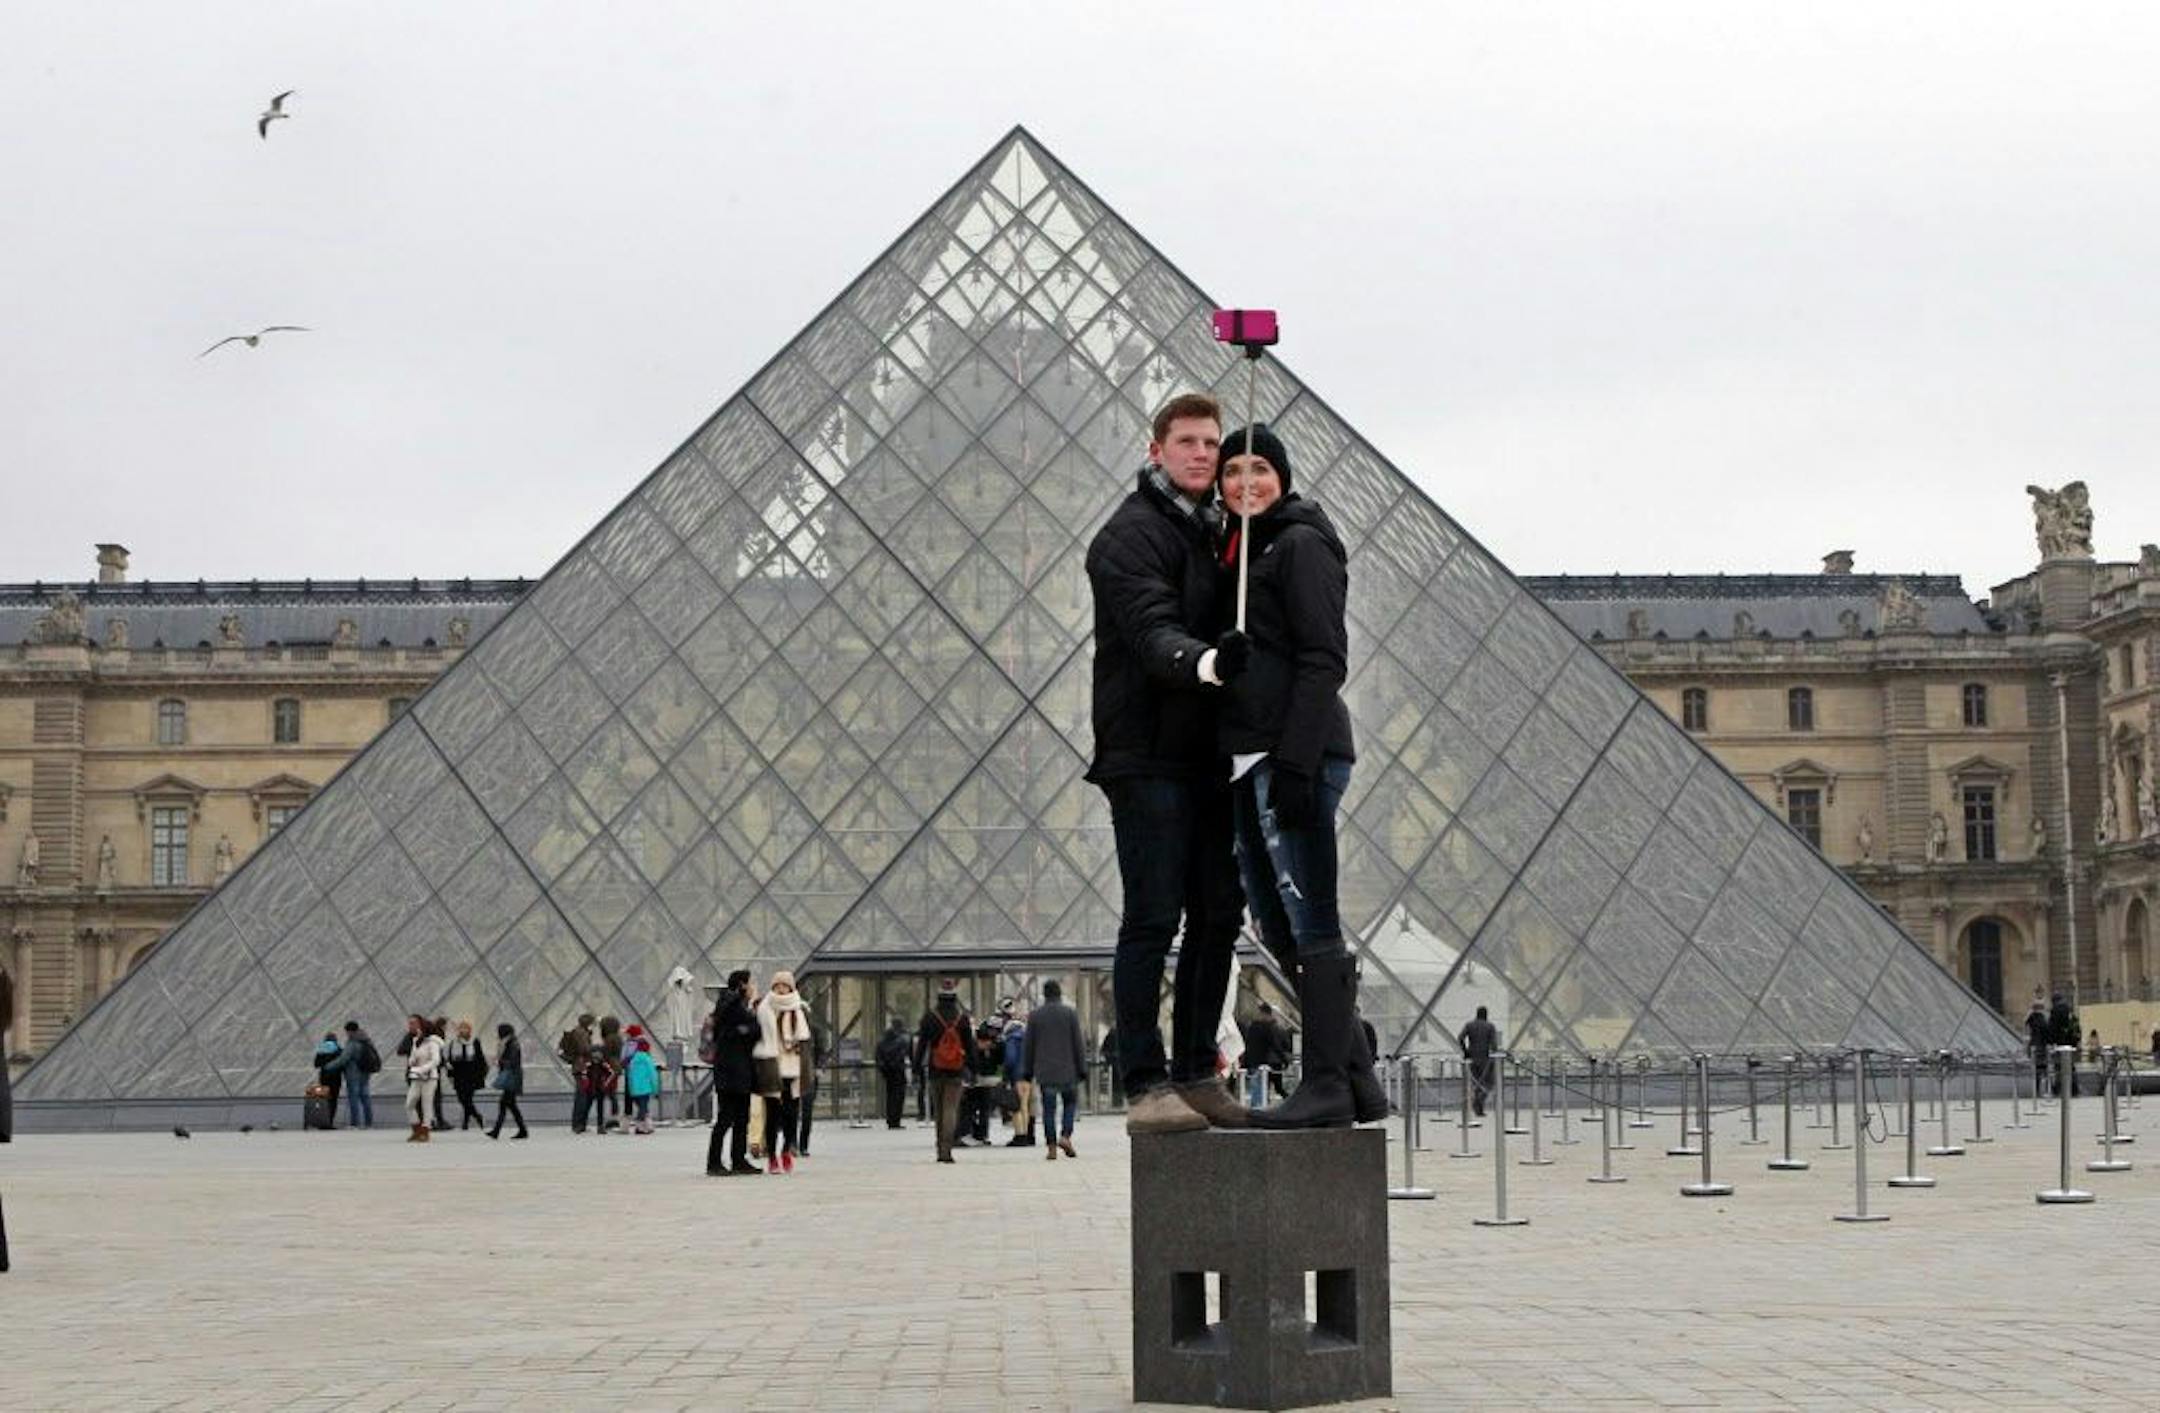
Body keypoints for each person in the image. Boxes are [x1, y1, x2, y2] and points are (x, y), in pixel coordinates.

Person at [1085, 390, 1251, 1135]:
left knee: (1220, 911)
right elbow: (1154, 633)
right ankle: (1145, 1082)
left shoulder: (1223, 534)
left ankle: (1195, 1071)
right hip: (1145, 753)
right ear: (1156, 450)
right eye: (1186, 441)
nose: (1200, 453)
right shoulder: (1128, 536)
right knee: (1152, 917)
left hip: (1206, 755)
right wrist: (1210, 663)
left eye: (1211, 443)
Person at [1213, 422, 1381, 1129]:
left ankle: (1328, 1087)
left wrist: (1295, 760)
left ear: (1282, 475)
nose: (1245, 481)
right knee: (1278, 921)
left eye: (1259, 468)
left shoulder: (1301, 542)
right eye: (1232, 471)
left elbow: (1324, 658)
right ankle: (1356, 1077)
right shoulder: (1246, 550)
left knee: (1310, 919)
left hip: (1292, 756)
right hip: (1252, 758)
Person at [705, 970, 761, 1177]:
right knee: (727, 1118)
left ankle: (737, 1159)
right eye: (750, 983)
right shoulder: (731, 1006)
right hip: (732, 1072)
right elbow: (756, 1029)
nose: (753, 987)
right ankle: (715, 1162)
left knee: (740, 1118)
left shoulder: (731, 1007)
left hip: (736, 1070)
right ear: (742, 985)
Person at [754, 970, 810, 1174]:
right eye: (777, 985)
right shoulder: (765, 1008)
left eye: (784, 985)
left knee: (791, 1114)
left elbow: (804, 1041)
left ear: (791, 988)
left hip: (793, 1068)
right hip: (772, 1065)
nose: (781, 989)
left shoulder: (798, 1009)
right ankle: (771, 1156)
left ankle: (787, 1150)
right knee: (772, 1115)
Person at [1024, 979, 1087, 1160]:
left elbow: (1029, 1046)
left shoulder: (1035, 1016)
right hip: (1068, 1071)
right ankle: (1065, 1136)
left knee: (1048, 1110)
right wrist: (1081, 1068)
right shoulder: (1070, 1014)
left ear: (1045, 994)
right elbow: (1078, 1044)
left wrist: (1027, 1071)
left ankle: (1051, 1147)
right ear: (1059, 993)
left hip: (1045, 1072)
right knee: (1069, 1104)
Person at [917, 979, 975, 1163]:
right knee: (950, 1109)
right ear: (955, 997)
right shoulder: (962, 1019)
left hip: (936, 1068)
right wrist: (973, 1068)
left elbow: (921, 1046)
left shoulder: (929, 1017)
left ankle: (939, 1148)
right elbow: (970, 1046)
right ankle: (947, 1149)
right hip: (956, 1070)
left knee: (939, 1110)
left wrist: (917, 1066)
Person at [402, 1015, 443, 1144]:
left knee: (427, 1103)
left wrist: (423, 1069)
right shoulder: (415, 1041)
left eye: (413, 1023)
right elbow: (412, 1058)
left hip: (430, 1077)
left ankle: (425, 1130)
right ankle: (416, 1127)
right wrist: (412, 1061)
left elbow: (436, 1060)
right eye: (409, 1023)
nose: (410, 1026)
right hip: (416, 1077)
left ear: (421, 1025)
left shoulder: (433, 1042)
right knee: (409, 1103)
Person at [1242, 1001, 1291, 1107]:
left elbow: (1248, 1045)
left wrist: (1245, 1063)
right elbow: (1276, 1045)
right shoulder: (1268, 1027)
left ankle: (1257, 1109)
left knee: (1258, 1088)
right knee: (1262, 1088)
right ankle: (1258, 1110)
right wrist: (1285, 1060)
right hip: (1263, 1062)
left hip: (1256, 1062)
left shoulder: (1253, 1027)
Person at [331, 1020, 377, 1129]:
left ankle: (354, 1123)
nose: (346, 1034)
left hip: (353, 1074)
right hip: (365, 1073)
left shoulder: (352, 1043)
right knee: (365, 1097)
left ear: (350, 1031)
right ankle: (369, 1123)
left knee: (354, 1098)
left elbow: (343, 1059)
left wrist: (329, 1066)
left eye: (346, 1032)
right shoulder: (367, 1040)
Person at [445, 1021, 489, 1131]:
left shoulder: (475, 1041)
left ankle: (465, 1123)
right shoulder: (453, 1043)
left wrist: (482, 1074)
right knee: (462, 1098)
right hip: (458, 1073)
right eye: (460, 1028)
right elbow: (450, 1059)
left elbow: (480, 1058)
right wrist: (450, 1073)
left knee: (467, 1098)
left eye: (465, 1028)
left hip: (472, 1073)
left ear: (470, 1030)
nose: (462, 1030)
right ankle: (477, 1116)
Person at [1001, 1007, 1035, 1148]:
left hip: (1017, 1074)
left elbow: (1010, 1059)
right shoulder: (1028, 1038)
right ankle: (1027, 1134)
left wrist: (1006, 1073)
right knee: (1025, 1106)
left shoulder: (1012, 1039)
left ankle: (1019, 1135)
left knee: (1016, 1107)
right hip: (1028, 1074)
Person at [488, 1024, 528, 1140]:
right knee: (510, 1105)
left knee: (505, 1104)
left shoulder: (511, 1044)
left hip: (512, 1077)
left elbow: (512, 1060)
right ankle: (522, 1130)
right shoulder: (510, 1043)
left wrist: (501, 1062)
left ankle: (497, 1131)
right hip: (512, 1076)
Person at [1459, 1006, 1499, 1117]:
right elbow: (1494, 1044)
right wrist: (1495, 1055)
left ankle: (1477, 1104)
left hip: (1472, 1058)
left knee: (1475, 1082)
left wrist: (1466, 1052)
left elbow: (1460, 1038)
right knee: (1488, 1082)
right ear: (1486, 1015)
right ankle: (1479, 1102)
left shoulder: (1469, 1025)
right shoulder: (1490, 1026)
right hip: (1485, 1059)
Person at [796, 1014, 827, 1157]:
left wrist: (819, 1067)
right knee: (791, 1111)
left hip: (809, 1074)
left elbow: (821, 1051)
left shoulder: (814, 1030)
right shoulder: (789, 1028)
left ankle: (803, 1145)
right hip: (792, 1073)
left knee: (807, 1111)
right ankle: (791, 1143)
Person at [562, 1013, 599, 1133]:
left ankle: (579, 1123)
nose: (594, 1026)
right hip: (582, 1067)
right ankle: (578, 1124)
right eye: (593, 1023)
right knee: (583, 1095)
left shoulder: (579, 1031)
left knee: (583, 1095)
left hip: (579, 1066)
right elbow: (584, 1049)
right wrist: (597, 1048)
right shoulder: (581, 1033)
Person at [875, 1017, 911, 1129]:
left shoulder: (882, 1041)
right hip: (898, 1071)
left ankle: (890, 1119)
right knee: (899, 1096)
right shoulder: (902, 1041)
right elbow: (905, 1054)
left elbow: (878, 1056)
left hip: (887, 1072)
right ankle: (896, 1120)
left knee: (890, 1095)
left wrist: (883, 1068)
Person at [626, 1037, 660, 1135]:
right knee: (643, 1108)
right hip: (645, 1088)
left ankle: (647, 1125)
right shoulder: (646, 1058)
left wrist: (631, 1088)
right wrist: (655, 1089)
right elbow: (652, 1075)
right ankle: (640, 1126)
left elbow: (630, 1075)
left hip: (635, 1089)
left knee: (642, 1107)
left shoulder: (632, 1059)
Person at [596, 1016, 625, 1133]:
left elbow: (605, 1053)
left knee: (606, 1093)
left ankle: (612, 1119)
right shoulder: (618, 1038)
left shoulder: (610, 1039)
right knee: (612, 1093)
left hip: (609, 1069)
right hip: (615, 1068)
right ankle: (614, 1117)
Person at [312, 1031, 344, 1125]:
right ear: (335, 1040)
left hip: (324, 1078)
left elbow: (316, 1064)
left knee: (324, 1099)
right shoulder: (339, 1050)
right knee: (333, 1100)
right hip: (336, 1078)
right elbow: (342, 1064)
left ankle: (323, 1121)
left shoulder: (321, 1050)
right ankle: (330, 1121)